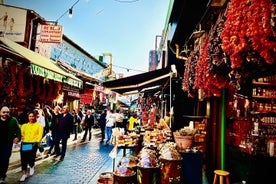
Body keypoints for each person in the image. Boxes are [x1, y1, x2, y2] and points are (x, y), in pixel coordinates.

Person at [19, 110, 44, 182]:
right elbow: (22, 134)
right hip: (25, 143)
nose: (31, 118)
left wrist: (36, 143)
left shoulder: (39, 126)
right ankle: (24, 174)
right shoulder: (24, 126)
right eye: (30, 116)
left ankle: (32, 166)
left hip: (33, 144)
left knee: (31, 158)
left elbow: (39, 136)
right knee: (23, 159)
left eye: (32, 116)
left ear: (35, 117)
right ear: (28, 117)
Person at [0, 106, 21, 184]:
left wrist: (17, 138)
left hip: (7, 144)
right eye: (4, 112)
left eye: (7, 112)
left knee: (5, 159)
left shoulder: (13, 120)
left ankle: (2, 175)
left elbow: (18, 130)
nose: (5, 114)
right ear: (0, 112)